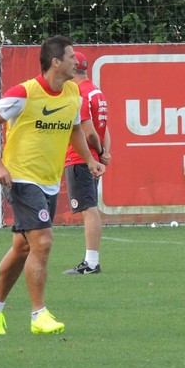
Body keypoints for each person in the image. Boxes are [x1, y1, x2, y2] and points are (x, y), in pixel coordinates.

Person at [0, 35, 105, 335]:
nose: (77, 61)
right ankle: (39, 315)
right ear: (56, 62)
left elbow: (75, 130)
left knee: (23, 247)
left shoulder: (73, 92)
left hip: (49, 181)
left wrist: (88, 160)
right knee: (44, 242)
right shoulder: (24, 92)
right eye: (72, 57)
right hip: (21, 178)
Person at [62, 51, 112, 275]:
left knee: (89, 210)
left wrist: (97, 153)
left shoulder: (79, 93)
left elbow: (88, 130)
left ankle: (91, 263)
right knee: (90, 208)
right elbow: (105, 128)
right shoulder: (97, 92)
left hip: (81, 157)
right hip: (93, 158)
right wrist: (104, 153)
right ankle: (91, 262)